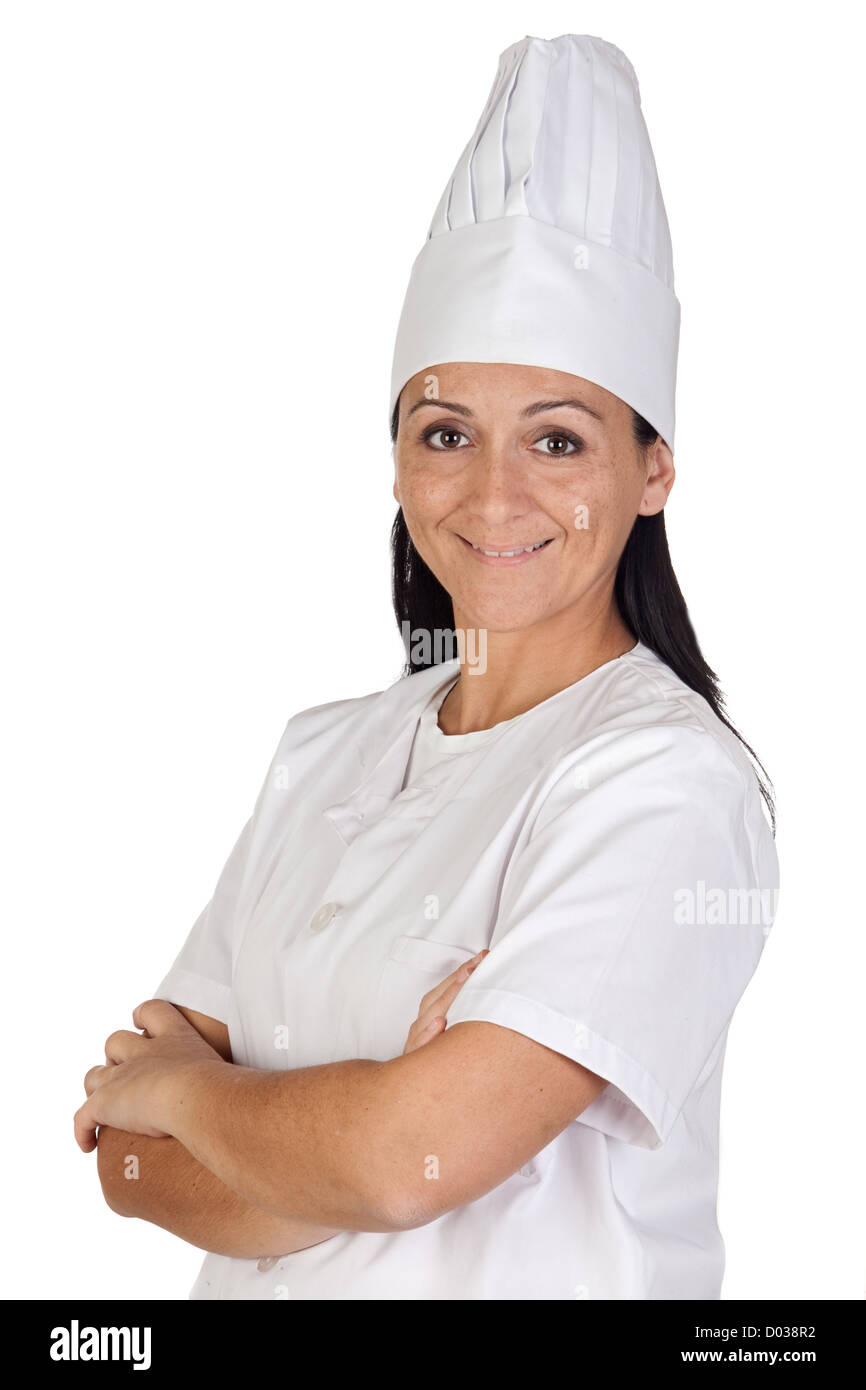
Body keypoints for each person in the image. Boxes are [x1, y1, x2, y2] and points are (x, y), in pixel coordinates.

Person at [77, 32, 779, 1300]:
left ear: (652, 469)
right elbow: (126, 1170)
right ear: (398, 460)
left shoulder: (663, 785)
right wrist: (329, 1137)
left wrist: (191, 1092)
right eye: (445, 431)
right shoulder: (320, 751)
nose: (494, 491)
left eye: (558, 441)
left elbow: (410, 1159)